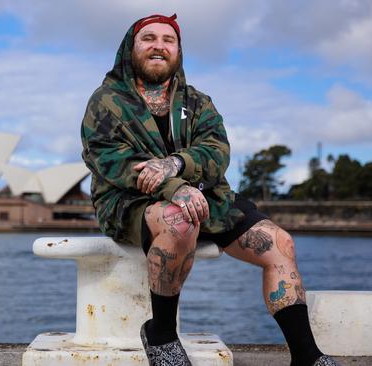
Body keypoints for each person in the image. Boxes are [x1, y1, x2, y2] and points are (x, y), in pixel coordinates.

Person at [80, 13, 340, 366]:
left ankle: (307, 357)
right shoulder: (106, 101)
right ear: (131, 48)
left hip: (205, 194)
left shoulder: (198, 102)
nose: (159, 46)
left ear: (178, 50)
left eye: (168, 40)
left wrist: (175, 166)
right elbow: (110, 160)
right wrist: (174, 188)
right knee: (179, 221)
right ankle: (162, 335)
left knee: (279, 243)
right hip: (130, 200)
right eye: (149, 38)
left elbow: (217, 151)